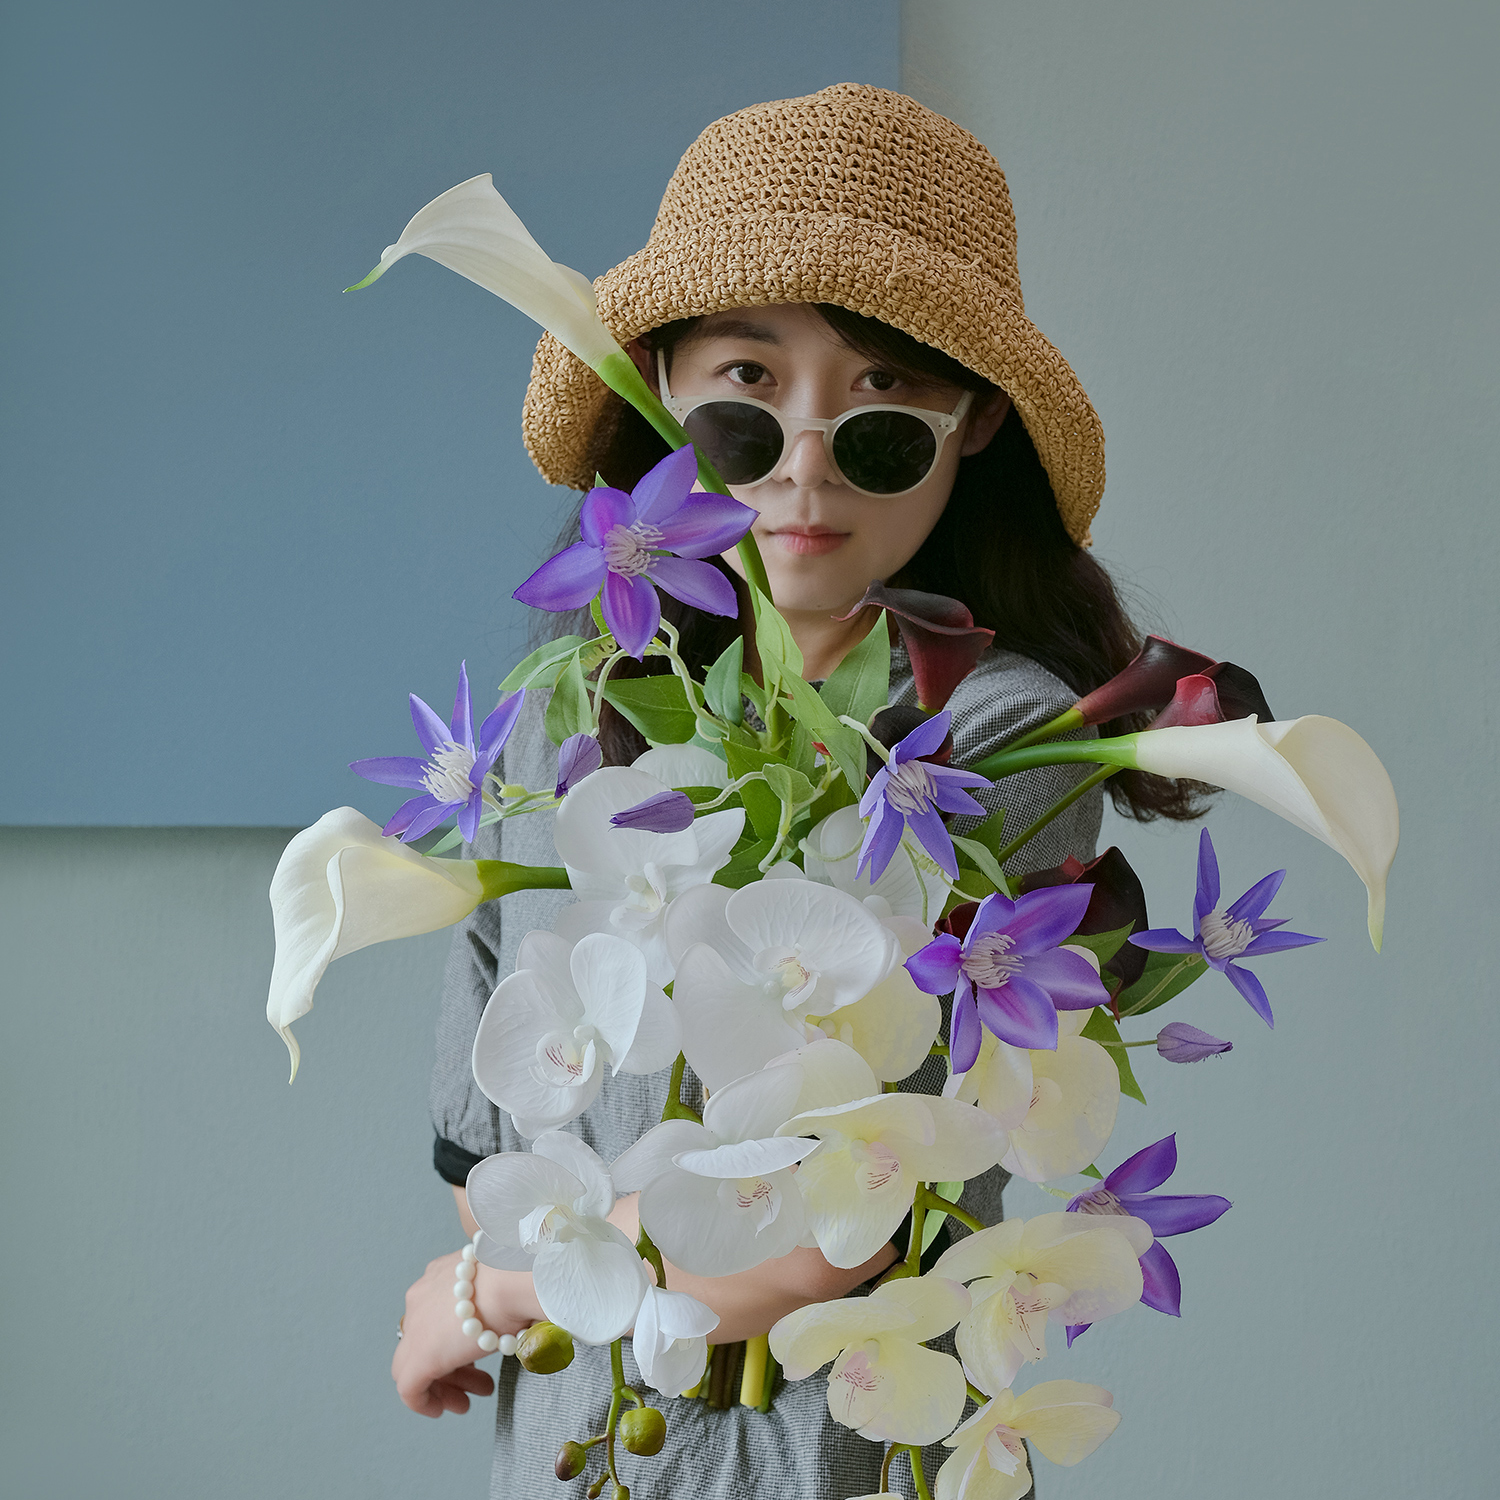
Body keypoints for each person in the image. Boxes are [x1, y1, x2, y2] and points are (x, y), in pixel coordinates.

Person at [393, 84, 1201, 1499]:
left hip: (824, 1456)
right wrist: (564, 1259)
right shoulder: (562, 718)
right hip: (571, 1449)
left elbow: (831, 1236)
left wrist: (493, 1295)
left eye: (883, 408)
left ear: (978, 424)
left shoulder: (998, 743)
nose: (808, 467)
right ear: (659, 395)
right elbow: (484, 1133)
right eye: (747, 400)